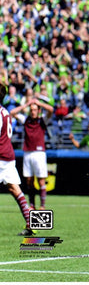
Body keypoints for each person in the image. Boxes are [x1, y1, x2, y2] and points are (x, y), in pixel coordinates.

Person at [0, 83, 35, 236]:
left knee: (15, 190)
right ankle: (31, 223)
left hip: (0, 156)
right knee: (16, 190)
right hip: (8, 155)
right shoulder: (5, 112)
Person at [10, 97, 54, 210]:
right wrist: (26, 105)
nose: (33, 112)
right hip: (28, 152)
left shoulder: (42, 120)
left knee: (41, 180)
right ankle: (32, 205)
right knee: (29, 181)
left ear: (38, 111)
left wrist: (40, 103)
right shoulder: (26, 120)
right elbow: (12, 112)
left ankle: (42, 205)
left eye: (35, 109)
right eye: (31, 109)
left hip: (39, 153)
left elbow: (51, 110)